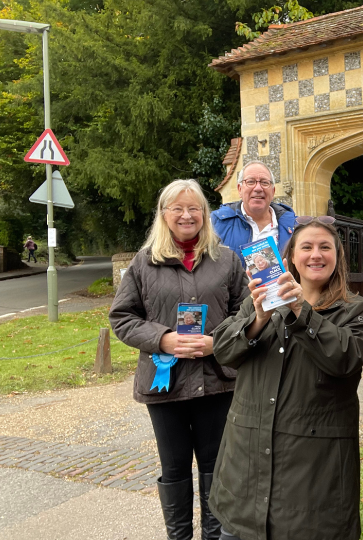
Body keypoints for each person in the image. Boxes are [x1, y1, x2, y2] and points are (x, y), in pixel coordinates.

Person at [209, 216, 363, 540]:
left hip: (311, 488)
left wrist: (301, 311)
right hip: (244, 478)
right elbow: (223, 350)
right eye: (307, 247)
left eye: (325, 247)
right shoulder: (256, 301)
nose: (316, 254)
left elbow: (346, 357)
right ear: (289, 259)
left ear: (337, 257)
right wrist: (258, 320)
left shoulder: (354, 310)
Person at [109, 179, 247, 540]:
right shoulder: (143, 263)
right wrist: (163, 339)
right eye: (178, 208)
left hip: (218, 382)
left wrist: (217, 342)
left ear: (205, 213)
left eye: (194, 208)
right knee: (174, 470)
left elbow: (244, 314)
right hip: (164, 385)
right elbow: (122, 318)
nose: (187, 215)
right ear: (164, 215)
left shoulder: (227, 260)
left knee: (217, 469)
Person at [211, 160, 296, 266]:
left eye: (265, 182)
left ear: (273, 191)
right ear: (239, 189)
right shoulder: (216, 223)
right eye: (251, 182)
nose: (258, 188)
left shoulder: (292, 225)